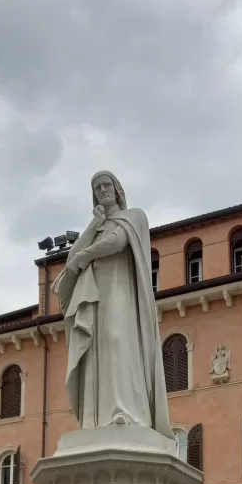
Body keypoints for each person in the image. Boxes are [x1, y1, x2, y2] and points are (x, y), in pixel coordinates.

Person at [53, 171, 171, 437]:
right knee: (97, 347)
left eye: (106, 185)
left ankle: (124, 410)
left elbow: (117, 242)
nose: (102, 190)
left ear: (117, 189)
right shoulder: (95, 226)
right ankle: (95, 417)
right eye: (97, 188)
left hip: (120, 292)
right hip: (95, 295)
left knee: (118, 341)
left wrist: (84, 256)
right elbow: (71, 255)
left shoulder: (134, 217)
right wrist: (93, 226)